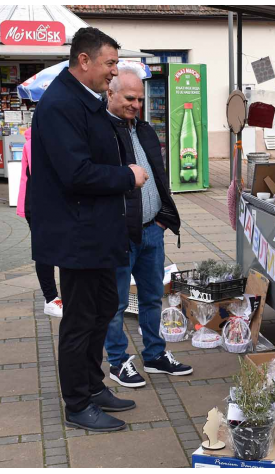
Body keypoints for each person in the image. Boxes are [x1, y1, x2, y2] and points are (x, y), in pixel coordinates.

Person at [29, 27, 150, 432]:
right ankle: (77, 404)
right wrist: (125, 177)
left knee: (101, 310)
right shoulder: (61, 104)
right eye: (110, 63)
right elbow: (76, 173)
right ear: (84, 61)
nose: (113, 73)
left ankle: (94, 386)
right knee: (80, 319)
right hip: (76, 235)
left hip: (97, 232)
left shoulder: (87, 100)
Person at [104, 65, 192, 387]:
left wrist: (161, 218)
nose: (136, 105)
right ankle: (118, 361)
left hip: (152, 229)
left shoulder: (143, 129)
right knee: (114, 303)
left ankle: (155, 355)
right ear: (110, 93)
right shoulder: (101, 131)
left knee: (153, 296)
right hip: (119, 233)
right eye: (130, 97)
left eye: (140, 99)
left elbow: (157, 174)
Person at [17, 127, 63, 318]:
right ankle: (51, 299)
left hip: (51, 203)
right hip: (37, 205)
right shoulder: (35, 143)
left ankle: (57, 297)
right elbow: (47, 176)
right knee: (45, 250)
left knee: (57, 248)